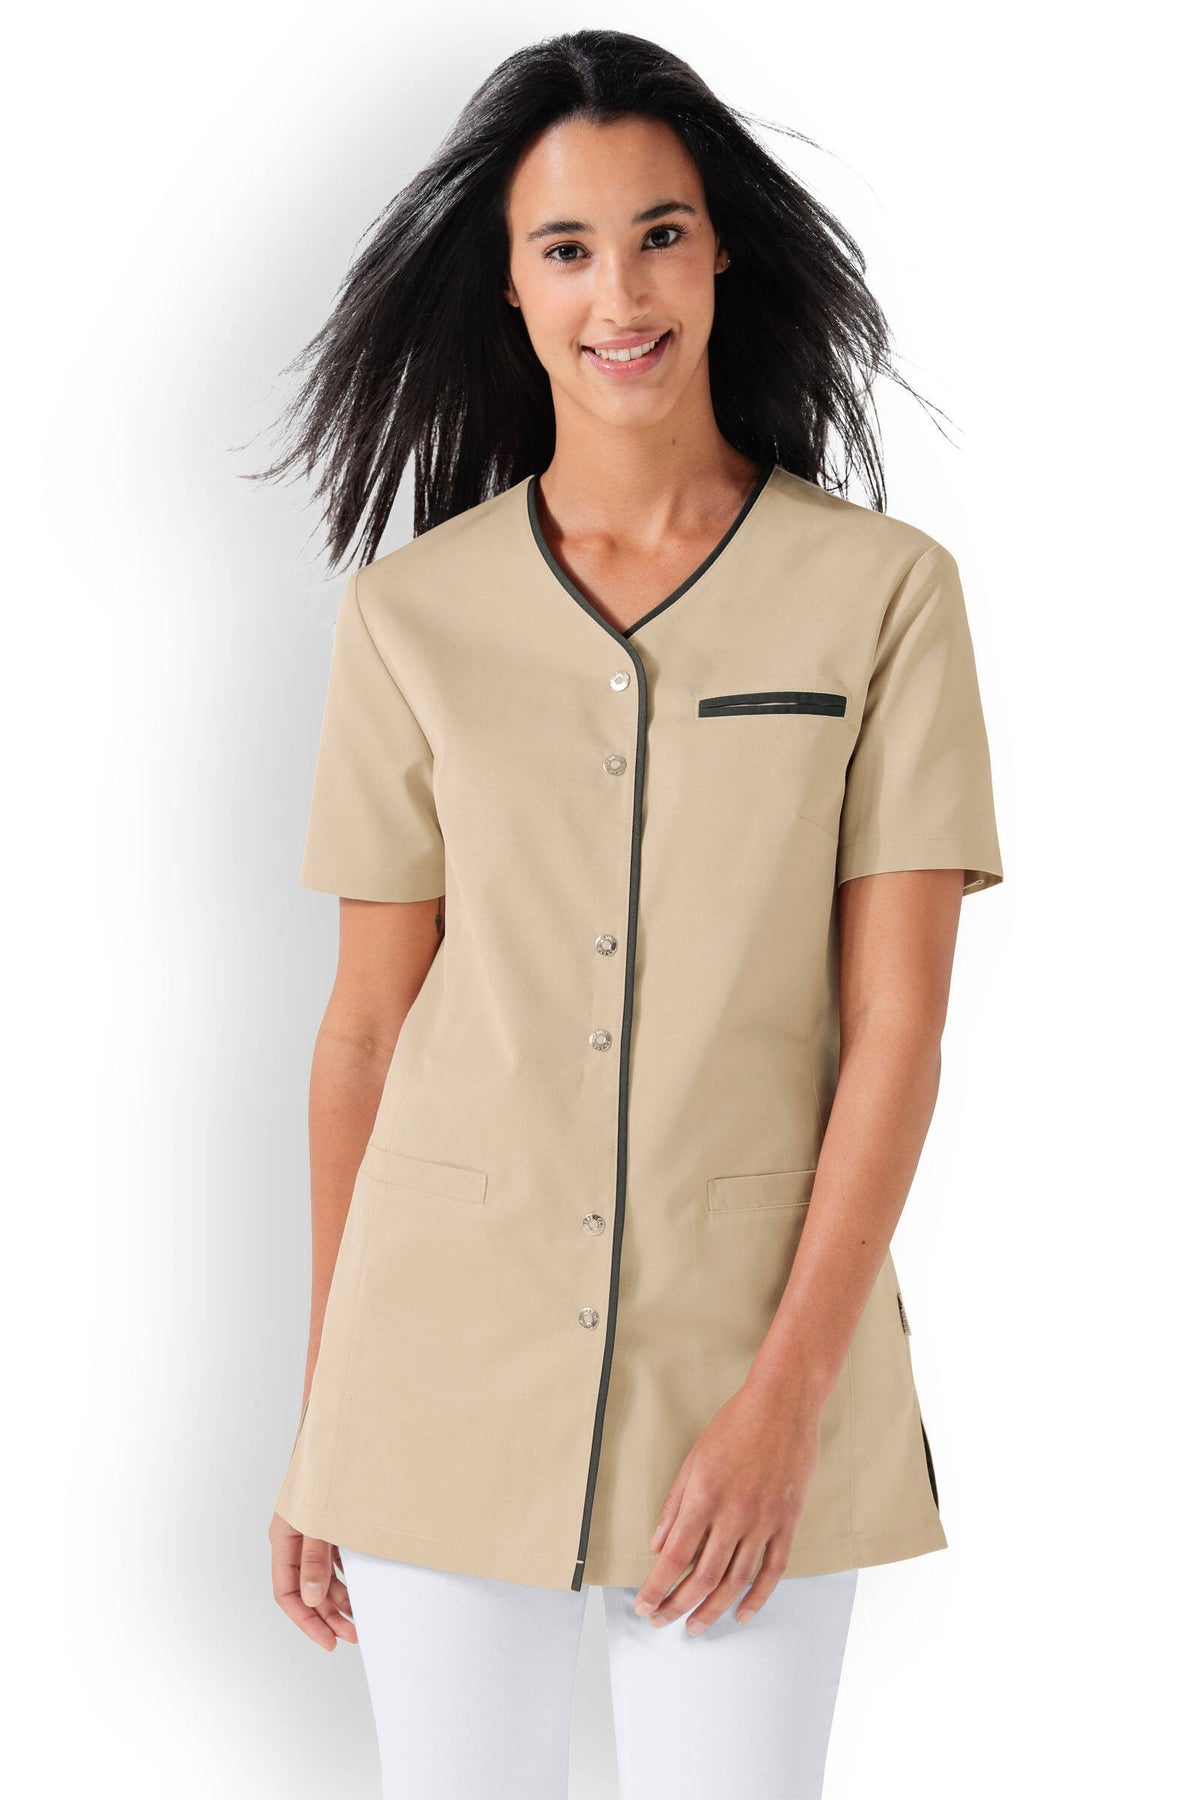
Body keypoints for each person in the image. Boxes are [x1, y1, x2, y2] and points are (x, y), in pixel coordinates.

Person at [258, 28, 1004, 1800]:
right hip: (437, 1359)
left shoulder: (883, 596)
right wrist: (327, 1420)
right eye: (568, 248)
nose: (622, 293)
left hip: (752, 1359)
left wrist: (786, 1402)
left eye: (660, 235)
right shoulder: (409, 618)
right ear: (511, 286)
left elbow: (899, 1026)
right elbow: (364, 1031)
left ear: (722, 250)